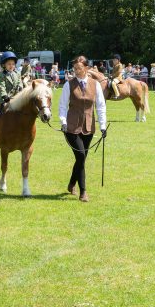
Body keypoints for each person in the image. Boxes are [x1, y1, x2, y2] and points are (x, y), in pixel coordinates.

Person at [58, 56, 106, 203]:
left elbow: (100, 106)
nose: (77, 71)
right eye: (75, 69)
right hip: (71, 128)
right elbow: (62, 106)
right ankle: (83, 191)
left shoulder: (95, 85)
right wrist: (63, 121)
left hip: (88, 127)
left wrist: (103, 125)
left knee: (82, 158)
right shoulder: (68, 85)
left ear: (86, 68)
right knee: (80, 157)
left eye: (79, 68)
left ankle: (72, 183)